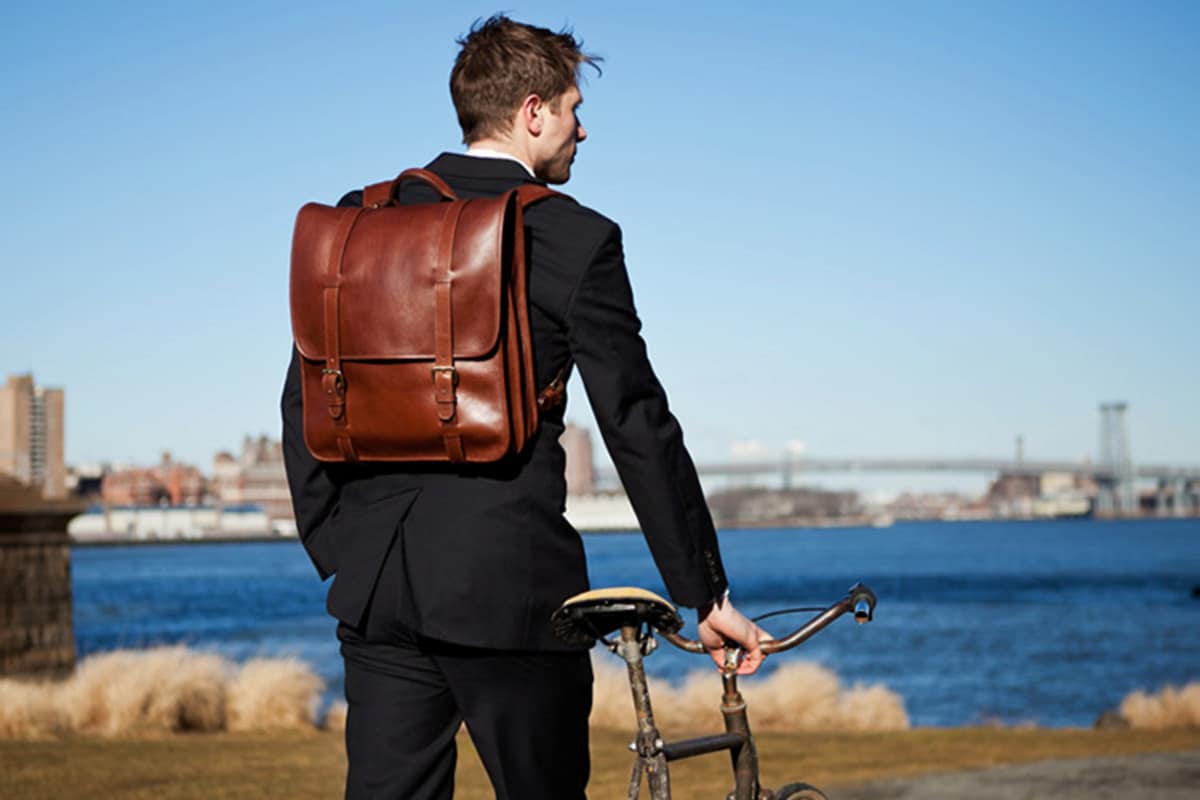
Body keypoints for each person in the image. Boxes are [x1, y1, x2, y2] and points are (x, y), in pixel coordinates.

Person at [281, 15, 767, 800]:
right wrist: (703, 594)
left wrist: (340, 546)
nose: (583, 130)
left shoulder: (363, 221)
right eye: (575, 109)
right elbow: (636, 423)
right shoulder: (574, 238)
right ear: (533, 112)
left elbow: (306, 389)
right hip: (511, 590)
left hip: (379, 590)